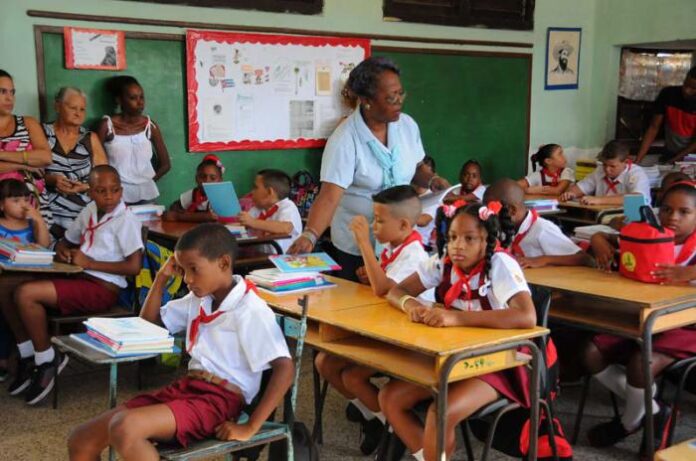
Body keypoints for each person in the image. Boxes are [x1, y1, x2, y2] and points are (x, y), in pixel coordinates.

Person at [67, 223, 294, 460]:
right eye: (183, 270)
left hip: (220, 401)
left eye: (194, 269)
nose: (187, 278)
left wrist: (250, 427)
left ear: (223, 263)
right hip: (187, 390)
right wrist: (161, 278)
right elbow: (147, 326)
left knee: (125, 427)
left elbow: (285, 368)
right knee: (82, 439)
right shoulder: (199, 299)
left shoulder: (249, 308)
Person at [378, 202, 535, 461]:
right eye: (452, 238)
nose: (458, 245)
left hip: (500, 362)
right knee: (390, 397)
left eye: (469, 238)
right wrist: (411, 305)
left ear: (487, 240)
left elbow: (527, 316)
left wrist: (456, 318)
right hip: (454, 356)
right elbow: (396, 292)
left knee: (440, 413)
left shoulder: (500, 264)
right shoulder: (444, 263)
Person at [287, 56, 447, 280]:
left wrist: (431, 180)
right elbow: (330, 196)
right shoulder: (345, 139)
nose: (399, 101)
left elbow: (417, 165)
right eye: (391, 97)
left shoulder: (407, 126)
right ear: (366, 100)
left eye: (401, 93)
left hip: (399, 240)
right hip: (357, 246)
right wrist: (310, 235)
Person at [5, 166, 143, 405]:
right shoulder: (90, 209)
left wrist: (90, 261)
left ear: (121, 191)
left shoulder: (126, 220)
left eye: (115, 190)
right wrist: (64, 253)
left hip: (102, 288)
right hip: (77, 276)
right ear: (90, 192)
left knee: (27, 294)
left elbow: (134, 266)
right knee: (6, 286)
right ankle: (28, 354)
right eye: (101, 191)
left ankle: (47, 359)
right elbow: (66, 242)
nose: (109, 196)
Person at [315, 185, 429, 455]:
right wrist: (372, 271)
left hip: (409, 341)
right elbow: (383, 284)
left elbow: (384, 290)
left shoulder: (415, 255)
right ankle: (378, 421)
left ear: (403, 225)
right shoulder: (394, 246)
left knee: (353, 377)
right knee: (325, 362)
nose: (372, 225)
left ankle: (394, 427)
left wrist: (364, 244)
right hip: (384, 329)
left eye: (378, 220)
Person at [585, 182, 696, 452]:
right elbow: (607, 237)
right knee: (590, 352)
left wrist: (691, 274)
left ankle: (628, 422)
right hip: (644, 318)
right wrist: (598, 240)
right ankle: (655, 411)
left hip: (687, 327)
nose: (673, 217)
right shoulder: (649, 234)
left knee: (640, 362)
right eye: (667, 209)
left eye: (685, 212)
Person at [0, 179, 51, 381]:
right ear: (2, 205)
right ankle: (7, 358)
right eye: (15, 200)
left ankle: (23, 355)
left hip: (28, 277)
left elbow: (44, 246)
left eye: (25, 199)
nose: (23, 204)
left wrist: (39, 220)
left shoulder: (31, 224)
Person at [41, 87, 108, 239]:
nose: (78, 113)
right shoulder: (42, 132)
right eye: (72, 108)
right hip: (47, 210)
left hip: (82, 211)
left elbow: (105, 179)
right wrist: (51, 179)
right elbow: (30, 172)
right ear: (57, 106)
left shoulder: (90, 138)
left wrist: (85, 186)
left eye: (82, 109)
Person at [97, 75, 171, 205]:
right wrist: (111, 189)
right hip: (117, 196)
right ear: (119, 100)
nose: (140, 102)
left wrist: (146, 182)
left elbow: (166, 164)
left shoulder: (150, 126)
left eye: (141, 97)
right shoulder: (107, 126)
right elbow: (95, 164)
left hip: (147, 195)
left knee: (148, 225)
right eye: (133, 98)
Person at [484, 178, 590, 268]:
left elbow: (583, 258)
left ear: (512, 211)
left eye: (492, 210)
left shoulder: (542, 229)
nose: (487, 215)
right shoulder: (502, 228)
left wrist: (544, 259)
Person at [0, 69, 52, 205]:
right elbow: (36, 159)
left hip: (34, 205)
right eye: (2, 91)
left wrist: (2, 155)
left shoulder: (28, 123)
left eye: (12, 92)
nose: (9, 98)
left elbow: (46, 157)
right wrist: (24, 165)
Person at [560, 140, 651, 206]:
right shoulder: (600, 170)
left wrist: (599, 200)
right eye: (604, 164)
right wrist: (571, 194)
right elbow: (580, 188)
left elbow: (637, 198)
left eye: (612, 166)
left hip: (632, 219)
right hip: (604, 217)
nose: (607, 169)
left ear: (626, 162)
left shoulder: (636, 173)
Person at [635, 66, 696, 164]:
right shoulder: (668, 94)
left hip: (691, 158)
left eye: (693, 88)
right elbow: (653, 127)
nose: (686, 90)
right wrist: (638, 159)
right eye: (686, 84)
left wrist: (674, 160)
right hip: (669, 151)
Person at [238, 169, 302, 254]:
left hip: (283, 261)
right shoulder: (258, 208)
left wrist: (253, 222)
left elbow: (286, 227)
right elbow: (242, 224)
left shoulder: (288, 207)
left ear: (269, 192)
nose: (252, 192)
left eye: (255, 187)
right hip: (260, 256)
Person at [164, 154, 223, 223]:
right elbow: (170, 213)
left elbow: (213, 219)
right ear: (196, 178)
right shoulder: (194, 194)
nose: (207, 181)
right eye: (202, 176)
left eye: (213, 178)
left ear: (220, 181)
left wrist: (180, 216)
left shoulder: (221, 198)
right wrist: (181, 216)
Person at [411, 156, 438, 249]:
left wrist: (397, 214)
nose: (421, 179)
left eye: (426, 175)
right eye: (419, 174)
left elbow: (423, 221)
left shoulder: (434, 198)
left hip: (420, 245)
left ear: (434, 176)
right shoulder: (408, 194)